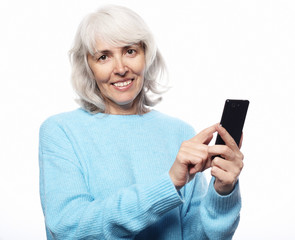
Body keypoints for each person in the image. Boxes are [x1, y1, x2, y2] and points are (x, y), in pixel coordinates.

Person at [39, 5, 244, 240]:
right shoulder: (61, 131)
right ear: (88, 67)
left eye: (130, 51)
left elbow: (198, 236)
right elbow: (69, 229)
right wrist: (168, 184)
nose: (120, 69)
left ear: (146, 55)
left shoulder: (180, 132)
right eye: (103, 57)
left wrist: (222, 192)